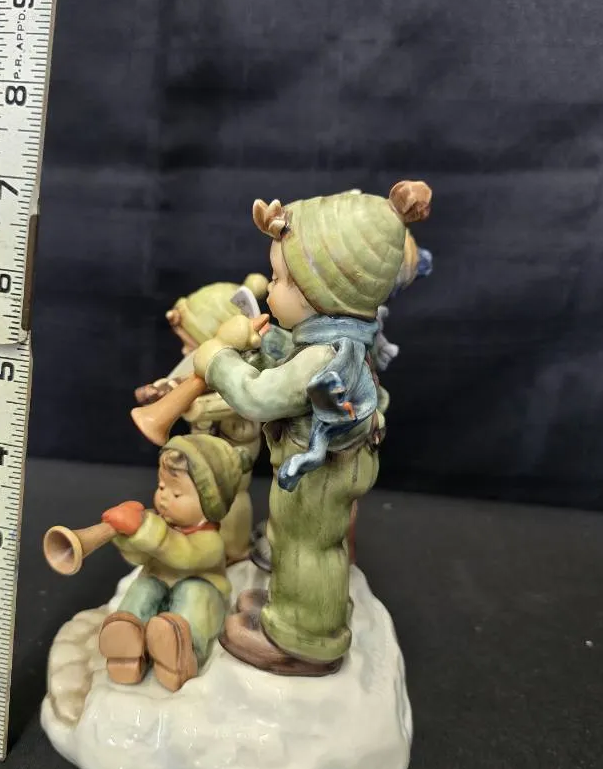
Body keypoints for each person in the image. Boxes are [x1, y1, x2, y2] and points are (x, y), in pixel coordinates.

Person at [191, 182, 432, 676]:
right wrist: (268, 349)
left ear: (325, 295)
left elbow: (259, 396)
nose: (270, 288)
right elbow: (291, 367)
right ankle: (294, 606)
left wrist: (217, 360)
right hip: (319, 466)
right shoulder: (334, 340)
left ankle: (306, 637)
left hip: (321, 472)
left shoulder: (325, 354)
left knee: (309, 545)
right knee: (295, 537)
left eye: (281, 279)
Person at [98, 433, 251, 692]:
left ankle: (183, 652)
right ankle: (127, 640)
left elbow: (183, 554)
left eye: (177, 494)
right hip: (159, 583)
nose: (164, 498)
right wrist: (126, 537)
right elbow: (140, 557)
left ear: (209, 505)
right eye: (161, 487)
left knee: (194, 595)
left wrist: (148, 532)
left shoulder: (210, 540)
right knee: (144, 587)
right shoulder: (161, 524)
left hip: (202, 591)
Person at [134, 275, 268, 563]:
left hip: (235, 452)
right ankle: (200, 542)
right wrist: (164, 390)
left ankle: (234, 551)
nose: (185, 352)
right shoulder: (199, 367)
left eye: (191, 346)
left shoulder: (245, 376)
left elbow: (237, 402)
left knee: (233, 497)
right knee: (198, 495)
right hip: (203, 452)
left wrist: (194, 406)